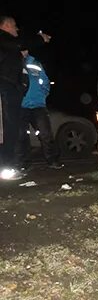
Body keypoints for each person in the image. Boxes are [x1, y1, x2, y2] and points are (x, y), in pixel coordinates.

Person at [0, 15, 51, 180]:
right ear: (6, 26)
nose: (17, 30)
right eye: (14, 26)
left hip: (12, 90)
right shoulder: (3, 39)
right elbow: (20, 43)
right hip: (5, 89)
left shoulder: (12, 51)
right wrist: (40, 38)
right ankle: (6, 168)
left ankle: (8, 166)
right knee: (9, 129)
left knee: (12, 130)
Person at [15, 50, 63, 169]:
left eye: (25, 48)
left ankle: (52, 160)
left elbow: (45, 80)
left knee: (45, 133)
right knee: (21, 135)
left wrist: (43, 93)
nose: (24, 50)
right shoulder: (13, 62)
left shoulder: (35, 63)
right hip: (21, 106)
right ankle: (23, 163)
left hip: (38, 105)